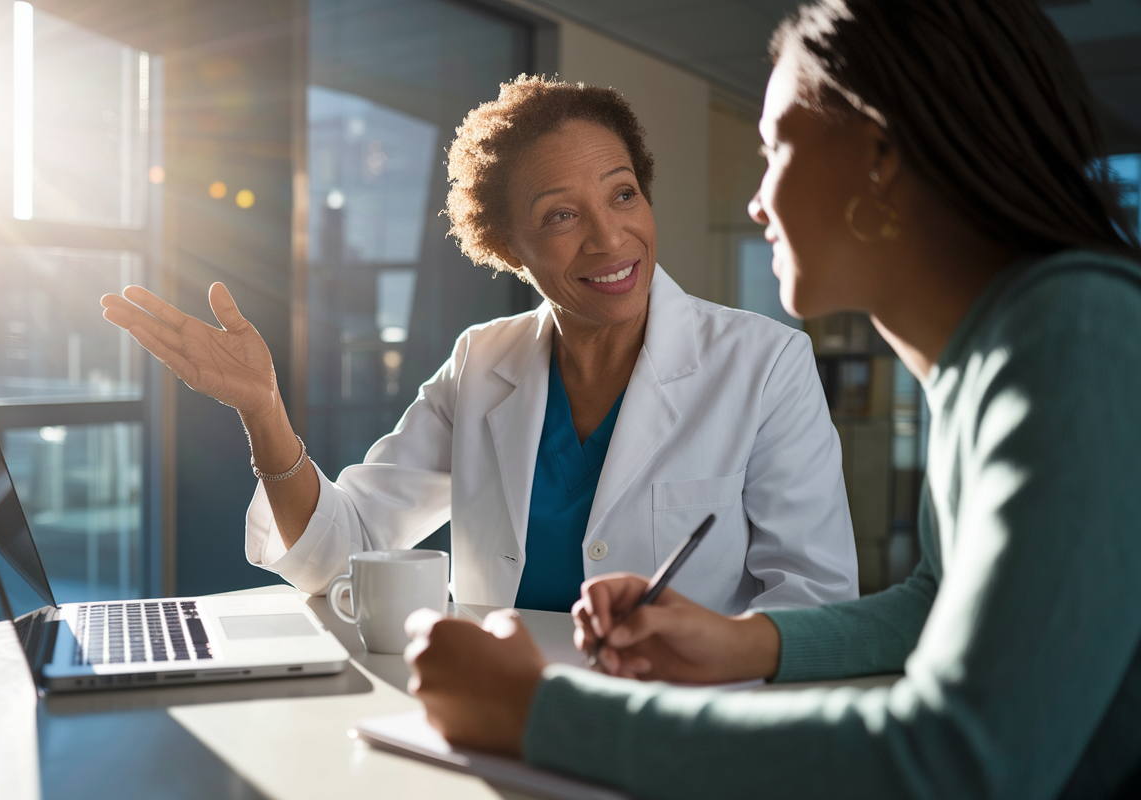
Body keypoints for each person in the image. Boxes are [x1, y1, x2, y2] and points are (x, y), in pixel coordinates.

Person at [403, 0, 1141, 796]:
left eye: (773, 150)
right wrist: (736, 642)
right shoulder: (986, 358)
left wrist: (540, 714)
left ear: (878, 160)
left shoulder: (1075, 333)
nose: (757, 203)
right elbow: (937, 606)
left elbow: (959, 757)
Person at [102, 77, 858, 614]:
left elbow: (818, 604)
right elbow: (345, 550)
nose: (610, 237)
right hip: (499, 722)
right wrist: (264, 411)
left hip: (681, 733)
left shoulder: (766, 365)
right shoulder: (482, 362)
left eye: (623, 194)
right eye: (562, 217)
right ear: (508, 248)